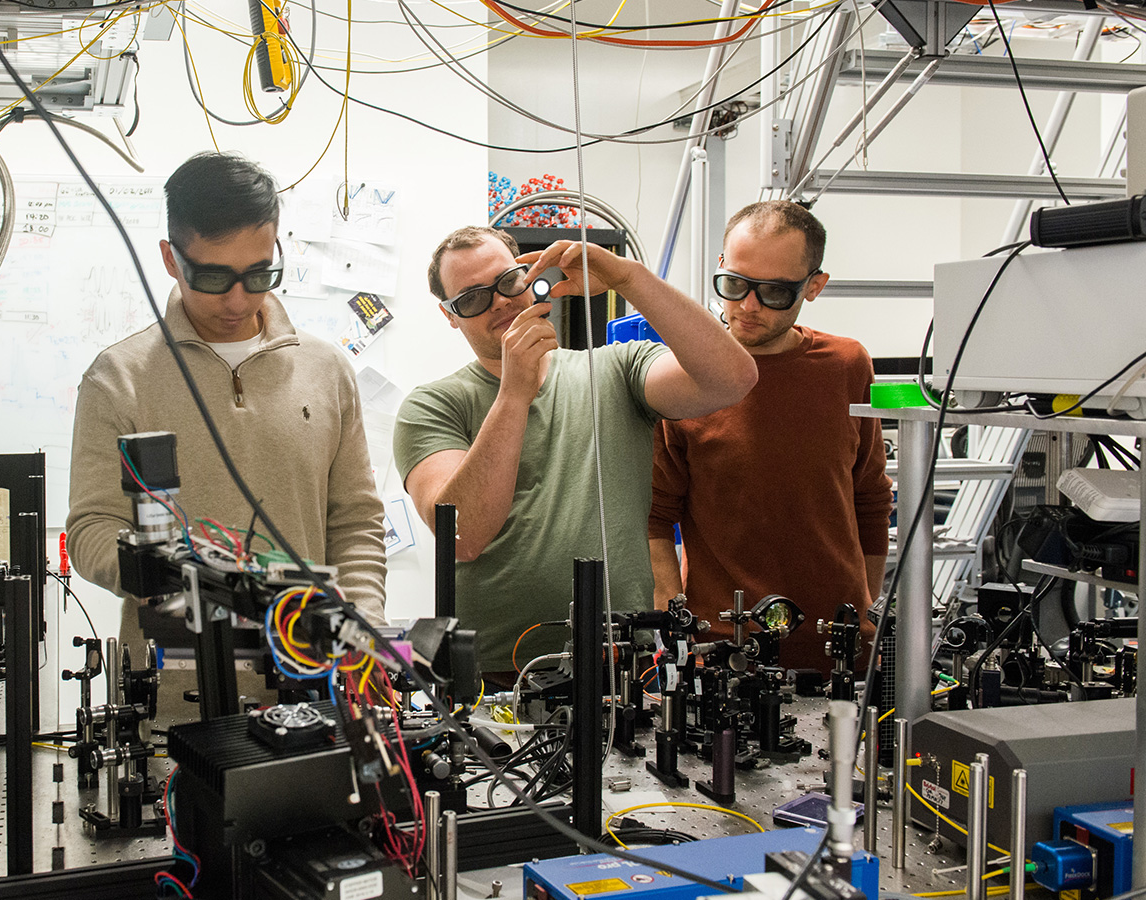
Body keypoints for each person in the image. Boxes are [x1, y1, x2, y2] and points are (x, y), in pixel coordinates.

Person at [66, 152, 388, 712]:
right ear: (171, 258)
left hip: (311, 692)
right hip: (172, 702)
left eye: (259, 274)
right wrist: (172, 571)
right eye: (213, 277)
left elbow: (355, 522)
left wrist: (362, 633)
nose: (238, 300)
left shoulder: (327, 370)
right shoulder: (118, 378)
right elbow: (92, 529)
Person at [393, 226, 757, 678]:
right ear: (450, 316)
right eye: (471, 299)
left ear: (530, 275)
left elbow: (732, 379)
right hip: (498, 671)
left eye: (509, 282)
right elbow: (462, 537)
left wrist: (628, 278)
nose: (501, 302)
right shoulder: (432, 405)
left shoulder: (616, 368)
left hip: (622, 662)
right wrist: (513, 395)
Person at [647, 201, 892, 673]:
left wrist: (863, 612)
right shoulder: (681, 376)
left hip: (837, 650)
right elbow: (657, 516)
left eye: (775, 292)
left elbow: (871, 499)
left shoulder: (846, 365)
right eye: (734, 285)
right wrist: (676, 631)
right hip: (721, 650)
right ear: (720, 267)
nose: (748, 306)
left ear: (814, 286)